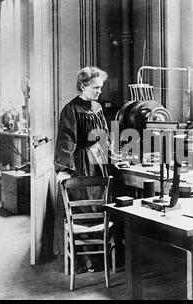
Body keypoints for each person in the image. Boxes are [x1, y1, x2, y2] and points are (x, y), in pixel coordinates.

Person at [53, 66, 112, 272]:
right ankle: (84, 259)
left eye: (100, 87)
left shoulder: (97, 107)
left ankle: (99, 256)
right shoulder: (71, 109)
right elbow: (66, 139)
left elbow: (103, 134)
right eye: (95, 87)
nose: (99, 91)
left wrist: (108, 151)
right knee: (83, 207)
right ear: (83, 86)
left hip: (99, 161)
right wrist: (63, 168)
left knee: (100, 206)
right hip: (81, 163)